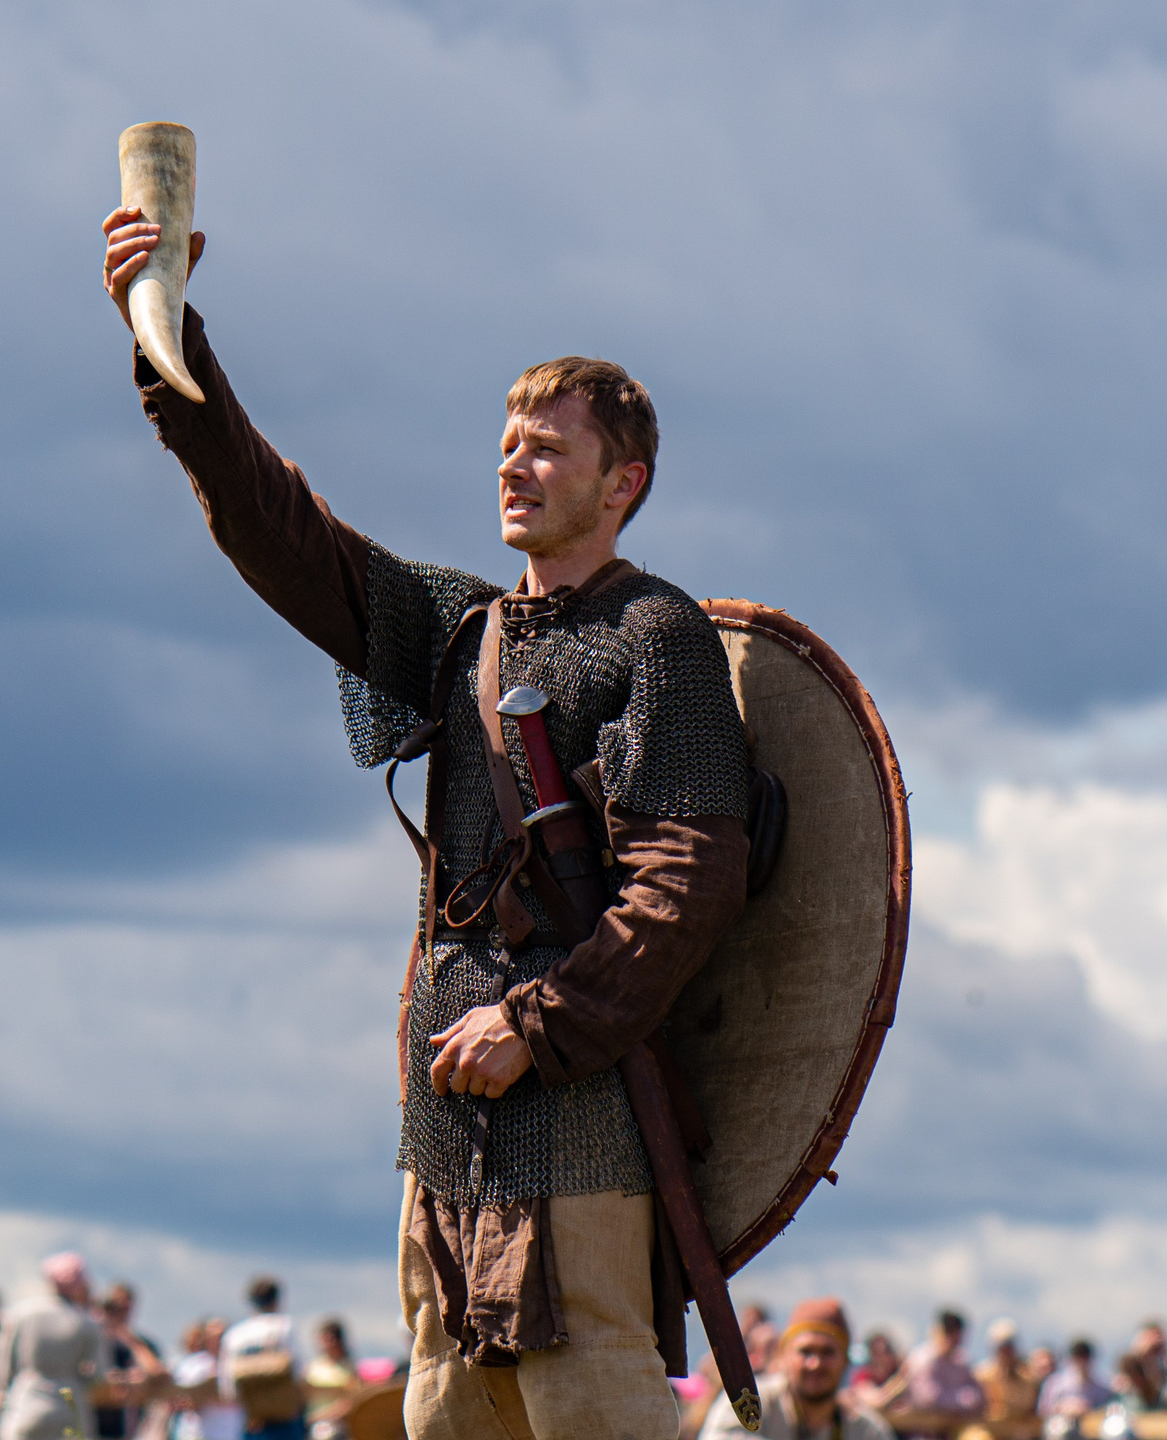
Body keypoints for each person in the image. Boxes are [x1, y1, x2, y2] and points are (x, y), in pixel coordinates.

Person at [103, 202, 753, 1440]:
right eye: (508, 443)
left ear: (625, 484)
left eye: (549, 449)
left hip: (583, 1100)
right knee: (449, 1414)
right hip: (448, 1113)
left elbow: (685, 882)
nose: (515, 464)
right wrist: (170, 337)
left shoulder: (653, 638)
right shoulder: (460, 631)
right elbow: (279, 533)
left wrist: (540, 1025)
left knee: (592, 1407)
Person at [701, 1299, 893, 1440]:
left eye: (827, 1352)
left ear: (845, 1360)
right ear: (783, 1356)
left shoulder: (866, 1430)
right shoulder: (749, 1404)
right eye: (805, 1351)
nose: (815, 1363)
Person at [0, 1254, 109, 1440]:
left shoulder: (19, 1314)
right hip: (69, 1409)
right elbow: (98, 1374)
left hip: (25, 1403)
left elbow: (2, 1368)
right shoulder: (87, 1323)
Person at [220, 1278, 299, 1440]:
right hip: (284, 1420)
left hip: (250, 1422)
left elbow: (227, 1389)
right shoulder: (283, 1326)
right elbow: (298, 1373)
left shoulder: (234, 1335)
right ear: (277, 1299)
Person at [95, 1282, 168, 1440]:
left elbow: (157, 1372)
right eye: (113, 1307)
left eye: (125, 1307)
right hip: (94, 1425)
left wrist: (130, 1340)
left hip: (131, 1429)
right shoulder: (92, 1340)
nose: (119, 1313)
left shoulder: (142, 1343)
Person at [895, 1310, 985, 1433]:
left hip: (954, 1431)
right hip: (921, 1432)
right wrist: (960, 1401)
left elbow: (977, 1397)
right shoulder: (922, 1359)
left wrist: (954, 1402)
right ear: (938, 1331)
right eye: (949, 1333)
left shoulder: (962, 1361)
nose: (954, 1340)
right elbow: (928, 1398)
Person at [979, 1320, 1040, 1425]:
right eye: (1002, 1348)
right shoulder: (982, 1376)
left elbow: (1029, 1408)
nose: (1006, 1353)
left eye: (1009, 1347)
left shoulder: (1028, 1379)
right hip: (991, 1429)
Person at [1039, 1339, 1112, 1424]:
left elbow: (1106, 1413)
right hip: (1059, 1427)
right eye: (1077, 1356)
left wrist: (1087, 1410)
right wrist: (1062, 1408)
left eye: (1085, 1356)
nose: (1081, 1361)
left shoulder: (1102, 1388)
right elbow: (1043, 1412)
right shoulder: (1054, 1383)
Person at [848, 1332, 905, 1417]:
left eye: (886, 1351)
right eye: (875, 1352)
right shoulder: (862, 1376)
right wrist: (900, 1383)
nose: (880, 1358)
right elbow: (877, 1402)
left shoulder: (899, 1372)